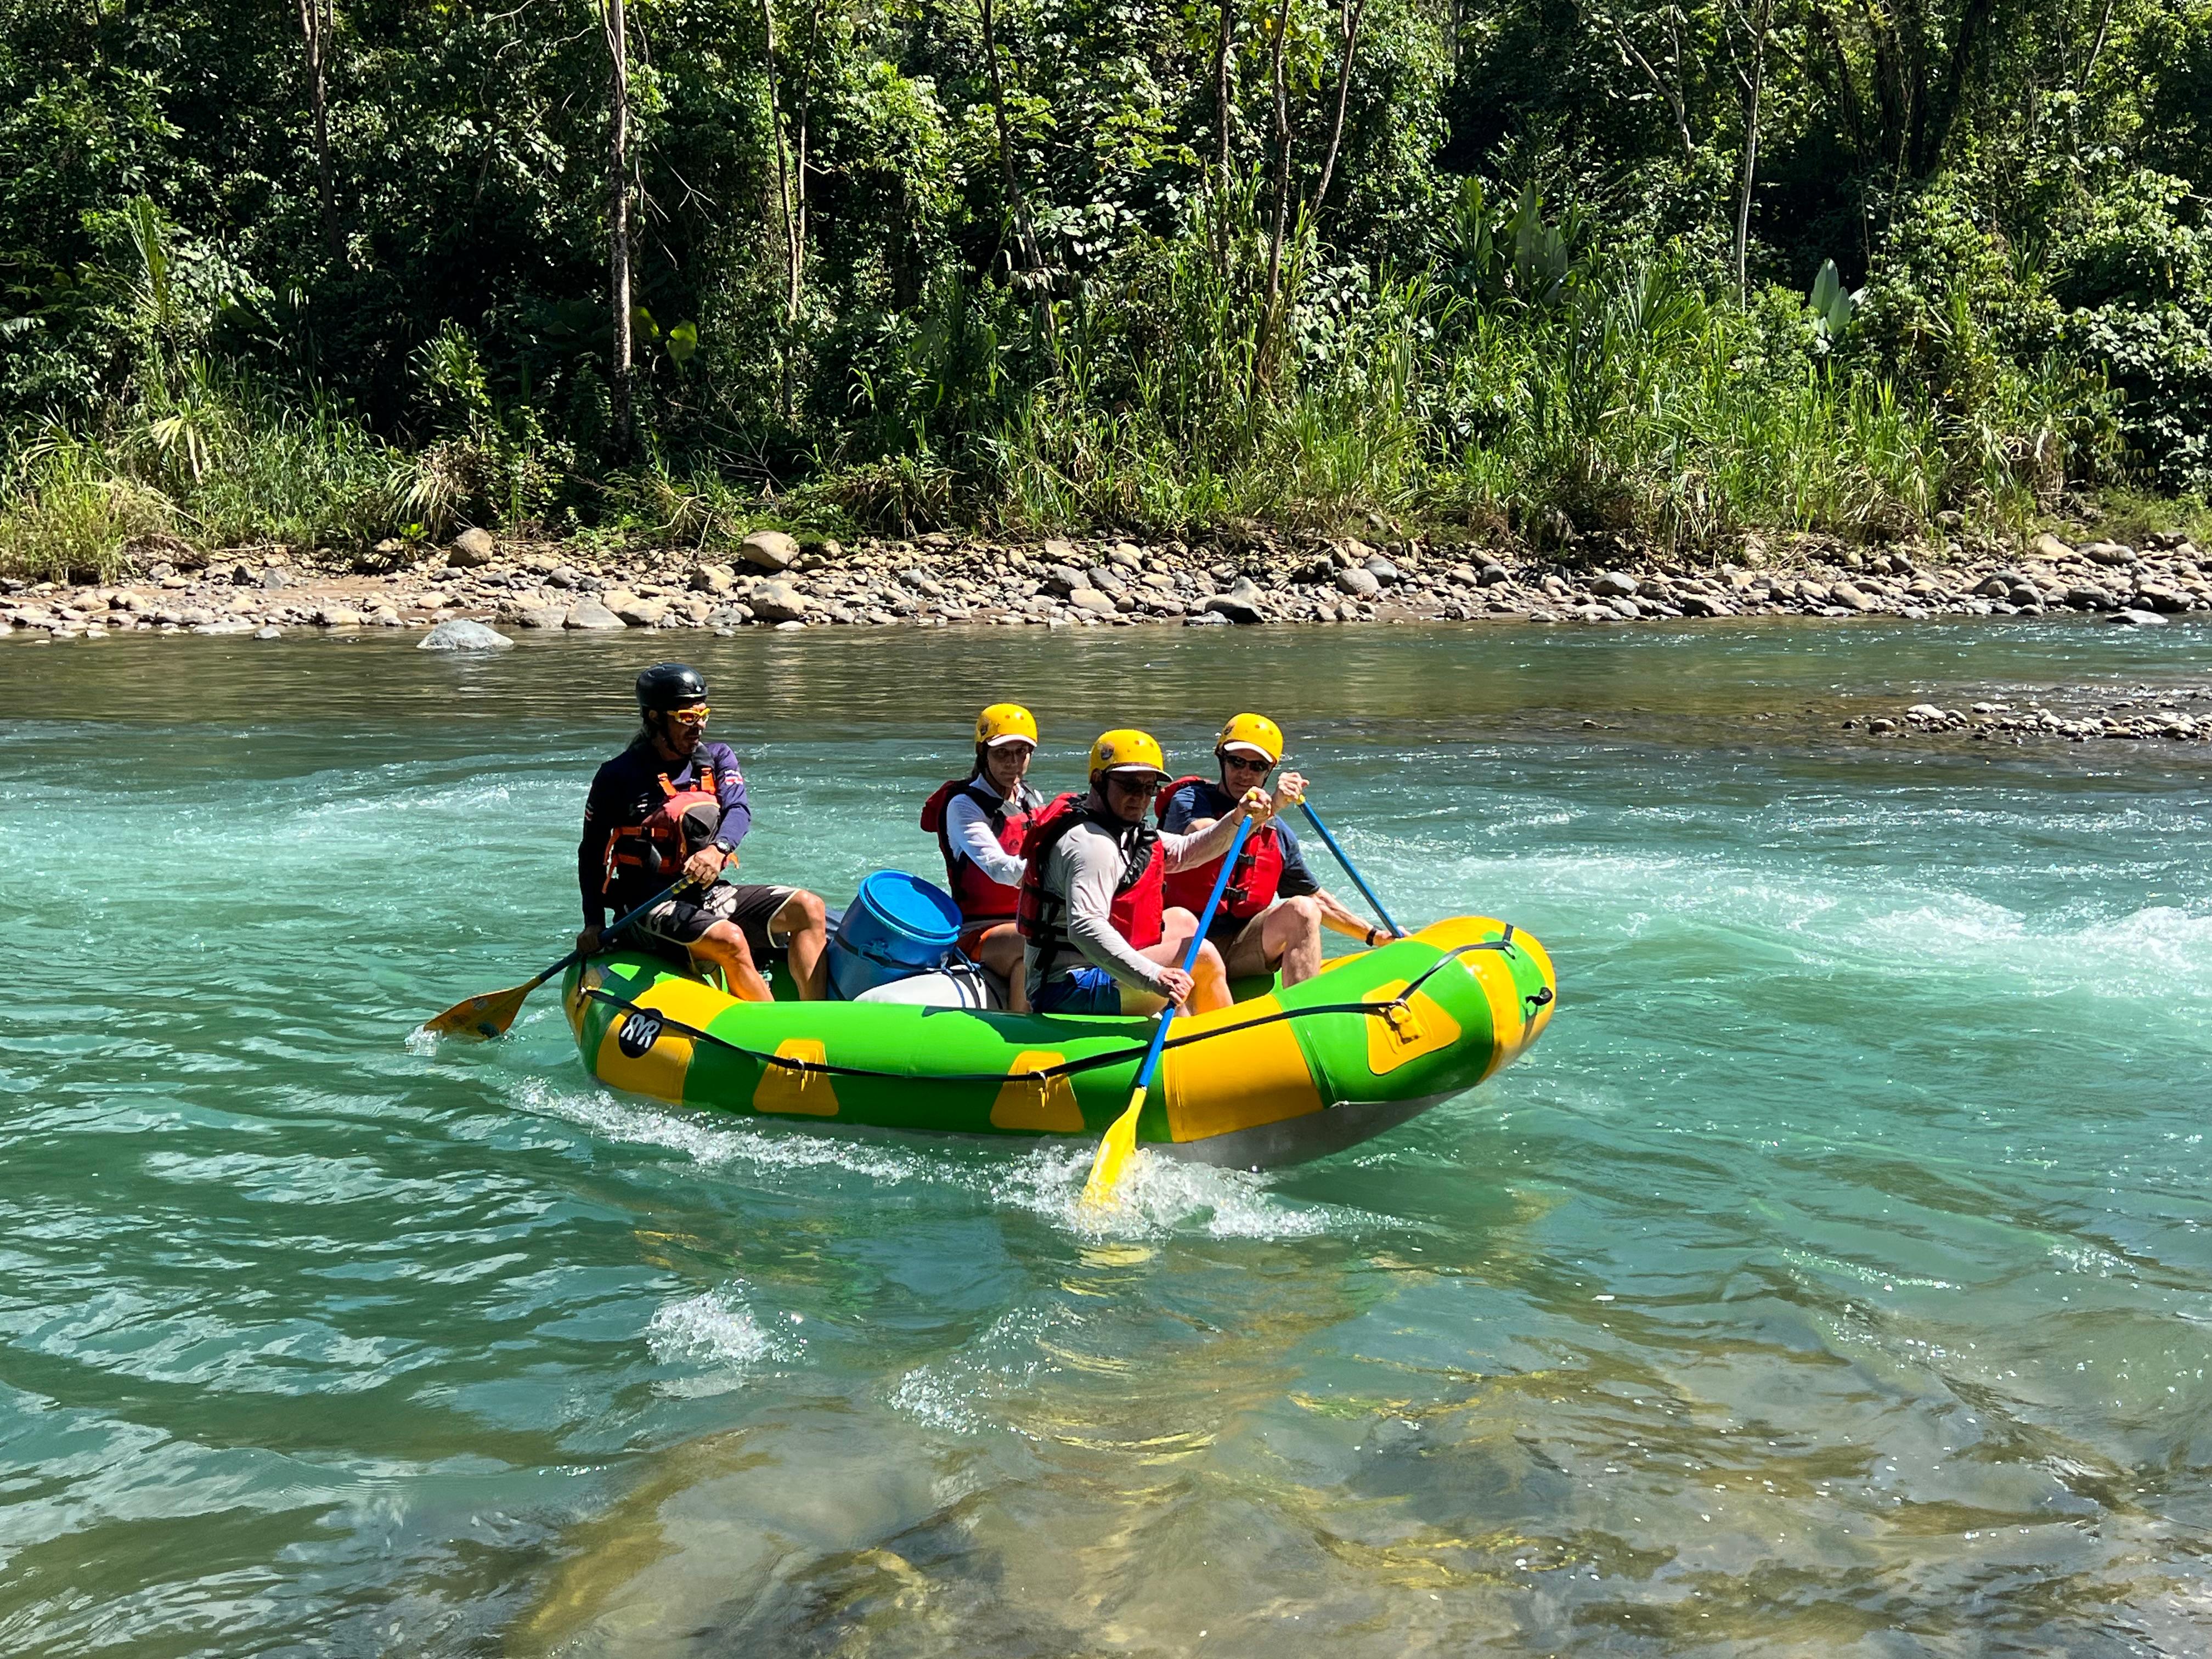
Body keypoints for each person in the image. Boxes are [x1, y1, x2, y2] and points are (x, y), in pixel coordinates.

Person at [577, 662, 830, 1001]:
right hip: (646, 906)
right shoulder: (617, 776)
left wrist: (719, 849)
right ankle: (778, 1035)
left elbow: (739, 810)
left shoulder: (718, 758)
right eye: (687, 718)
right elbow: (591, 852)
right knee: (731, 939)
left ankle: (814, 1020)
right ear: (655, 718)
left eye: (704, 714)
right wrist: (593, 922)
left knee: (809, 908)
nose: (699, 726)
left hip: (707, 895)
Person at [1015, 728, 1292, 1017]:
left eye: (1149, 788)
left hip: (1098, 968)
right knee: (1203, 956)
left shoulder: (1124, 829)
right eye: (1130, 786)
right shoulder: (1090, 845)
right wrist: (1154, 976)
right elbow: (1086, 928)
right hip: (1069, 986)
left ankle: (1186, 1028)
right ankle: (1226, 1042)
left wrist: (1238, 818)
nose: (1140, 797)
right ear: (1098, 780)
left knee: (1183, 920)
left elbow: (1187, 851)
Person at [1155, 713, 1380, 987]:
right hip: (1183, 945)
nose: (1245, 773)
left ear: (1268, 771)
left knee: (1303, 909)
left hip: (1241, 948)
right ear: (1221, 759)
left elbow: (1317, 899)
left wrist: (1373, 935)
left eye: (1257, 766)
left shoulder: (1279, 832)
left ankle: (1302, 1011)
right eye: (1237, 761)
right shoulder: (1191, 800)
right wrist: (1271, 807)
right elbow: (1203, 840)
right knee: (1178, 920)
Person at [920, 703, 1045, 1012]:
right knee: (1034, 940)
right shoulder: (963, 806)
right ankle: (1022, 1039)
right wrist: (1060, 870)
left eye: (1022, 753)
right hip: (978, 930)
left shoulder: (1032, 798)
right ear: (983, 753)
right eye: (1002, 753)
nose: (1013, 763)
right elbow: (999, 869)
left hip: (1025, 919)